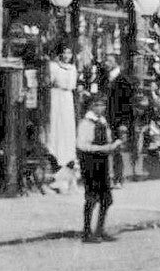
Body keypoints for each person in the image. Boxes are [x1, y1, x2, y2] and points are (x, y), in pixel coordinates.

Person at [76, 95, 123, 243]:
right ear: (90, 107)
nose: (100, 108)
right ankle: (86, 231)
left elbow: (107, 140)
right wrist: (106, 148)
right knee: (91, 197)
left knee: (106, 198)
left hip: (102, 162)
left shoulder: (103, 122)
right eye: (97, 105)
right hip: (90, 162)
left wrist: (113, 146)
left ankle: (99, 230)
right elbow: (82, 145)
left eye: (102, 105)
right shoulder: (85, 123)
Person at [97, 53, 136, 187]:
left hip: (118, 119)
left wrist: (124, 123)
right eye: (106, 60)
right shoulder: (103, 78)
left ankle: (118, 178)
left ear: (116, 63)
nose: (106, 63)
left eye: (109, 61)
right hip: (105, 118)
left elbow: (127, 104)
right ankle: (106, 177)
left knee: (117, 149)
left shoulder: (123, 80)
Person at [46, 45, 79, 193]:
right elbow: (50, 82)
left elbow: (72, 85)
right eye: (64, 52)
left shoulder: (72, 68)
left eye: (69, 52)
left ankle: (68, 173)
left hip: (67, 99)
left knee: (67, 131)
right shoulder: (53, 66)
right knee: (56, 129)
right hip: (56, 97)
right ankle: (57, 168)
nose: (67, 55)